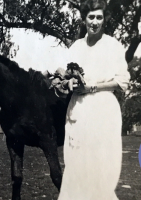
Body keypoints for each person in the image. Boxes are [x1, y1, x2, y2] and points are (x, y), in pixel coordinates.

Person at [57, 0, 130, 199]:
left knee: (100, 166)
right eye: (91, 17)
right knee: (76, 164)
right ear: (84, 20)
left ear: (104, 19)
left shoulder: (112, 45)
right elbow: (63, 73)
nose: (95, 22)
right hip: (78, 110)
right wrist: (66, 83)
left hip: (103, 109)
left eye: (99, 17)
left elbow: (121, 81)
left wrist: (92, 87)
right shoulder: (76, 47)